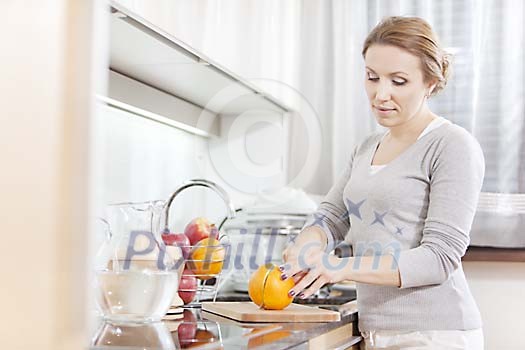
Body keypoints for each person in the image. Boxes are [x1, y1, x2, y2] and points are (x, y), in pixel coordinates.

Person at [281, 16, 485, 349]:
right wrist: (309, 244)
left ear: (430, 83)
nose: (380, 94)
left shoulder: (452, 145)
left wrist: (339, 267)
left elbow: (439, 258)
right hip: (375, 332)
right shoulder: (365, 149)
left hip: (434, 336)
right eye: (372, 77)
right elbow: (331, 217)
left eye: (399, 81)